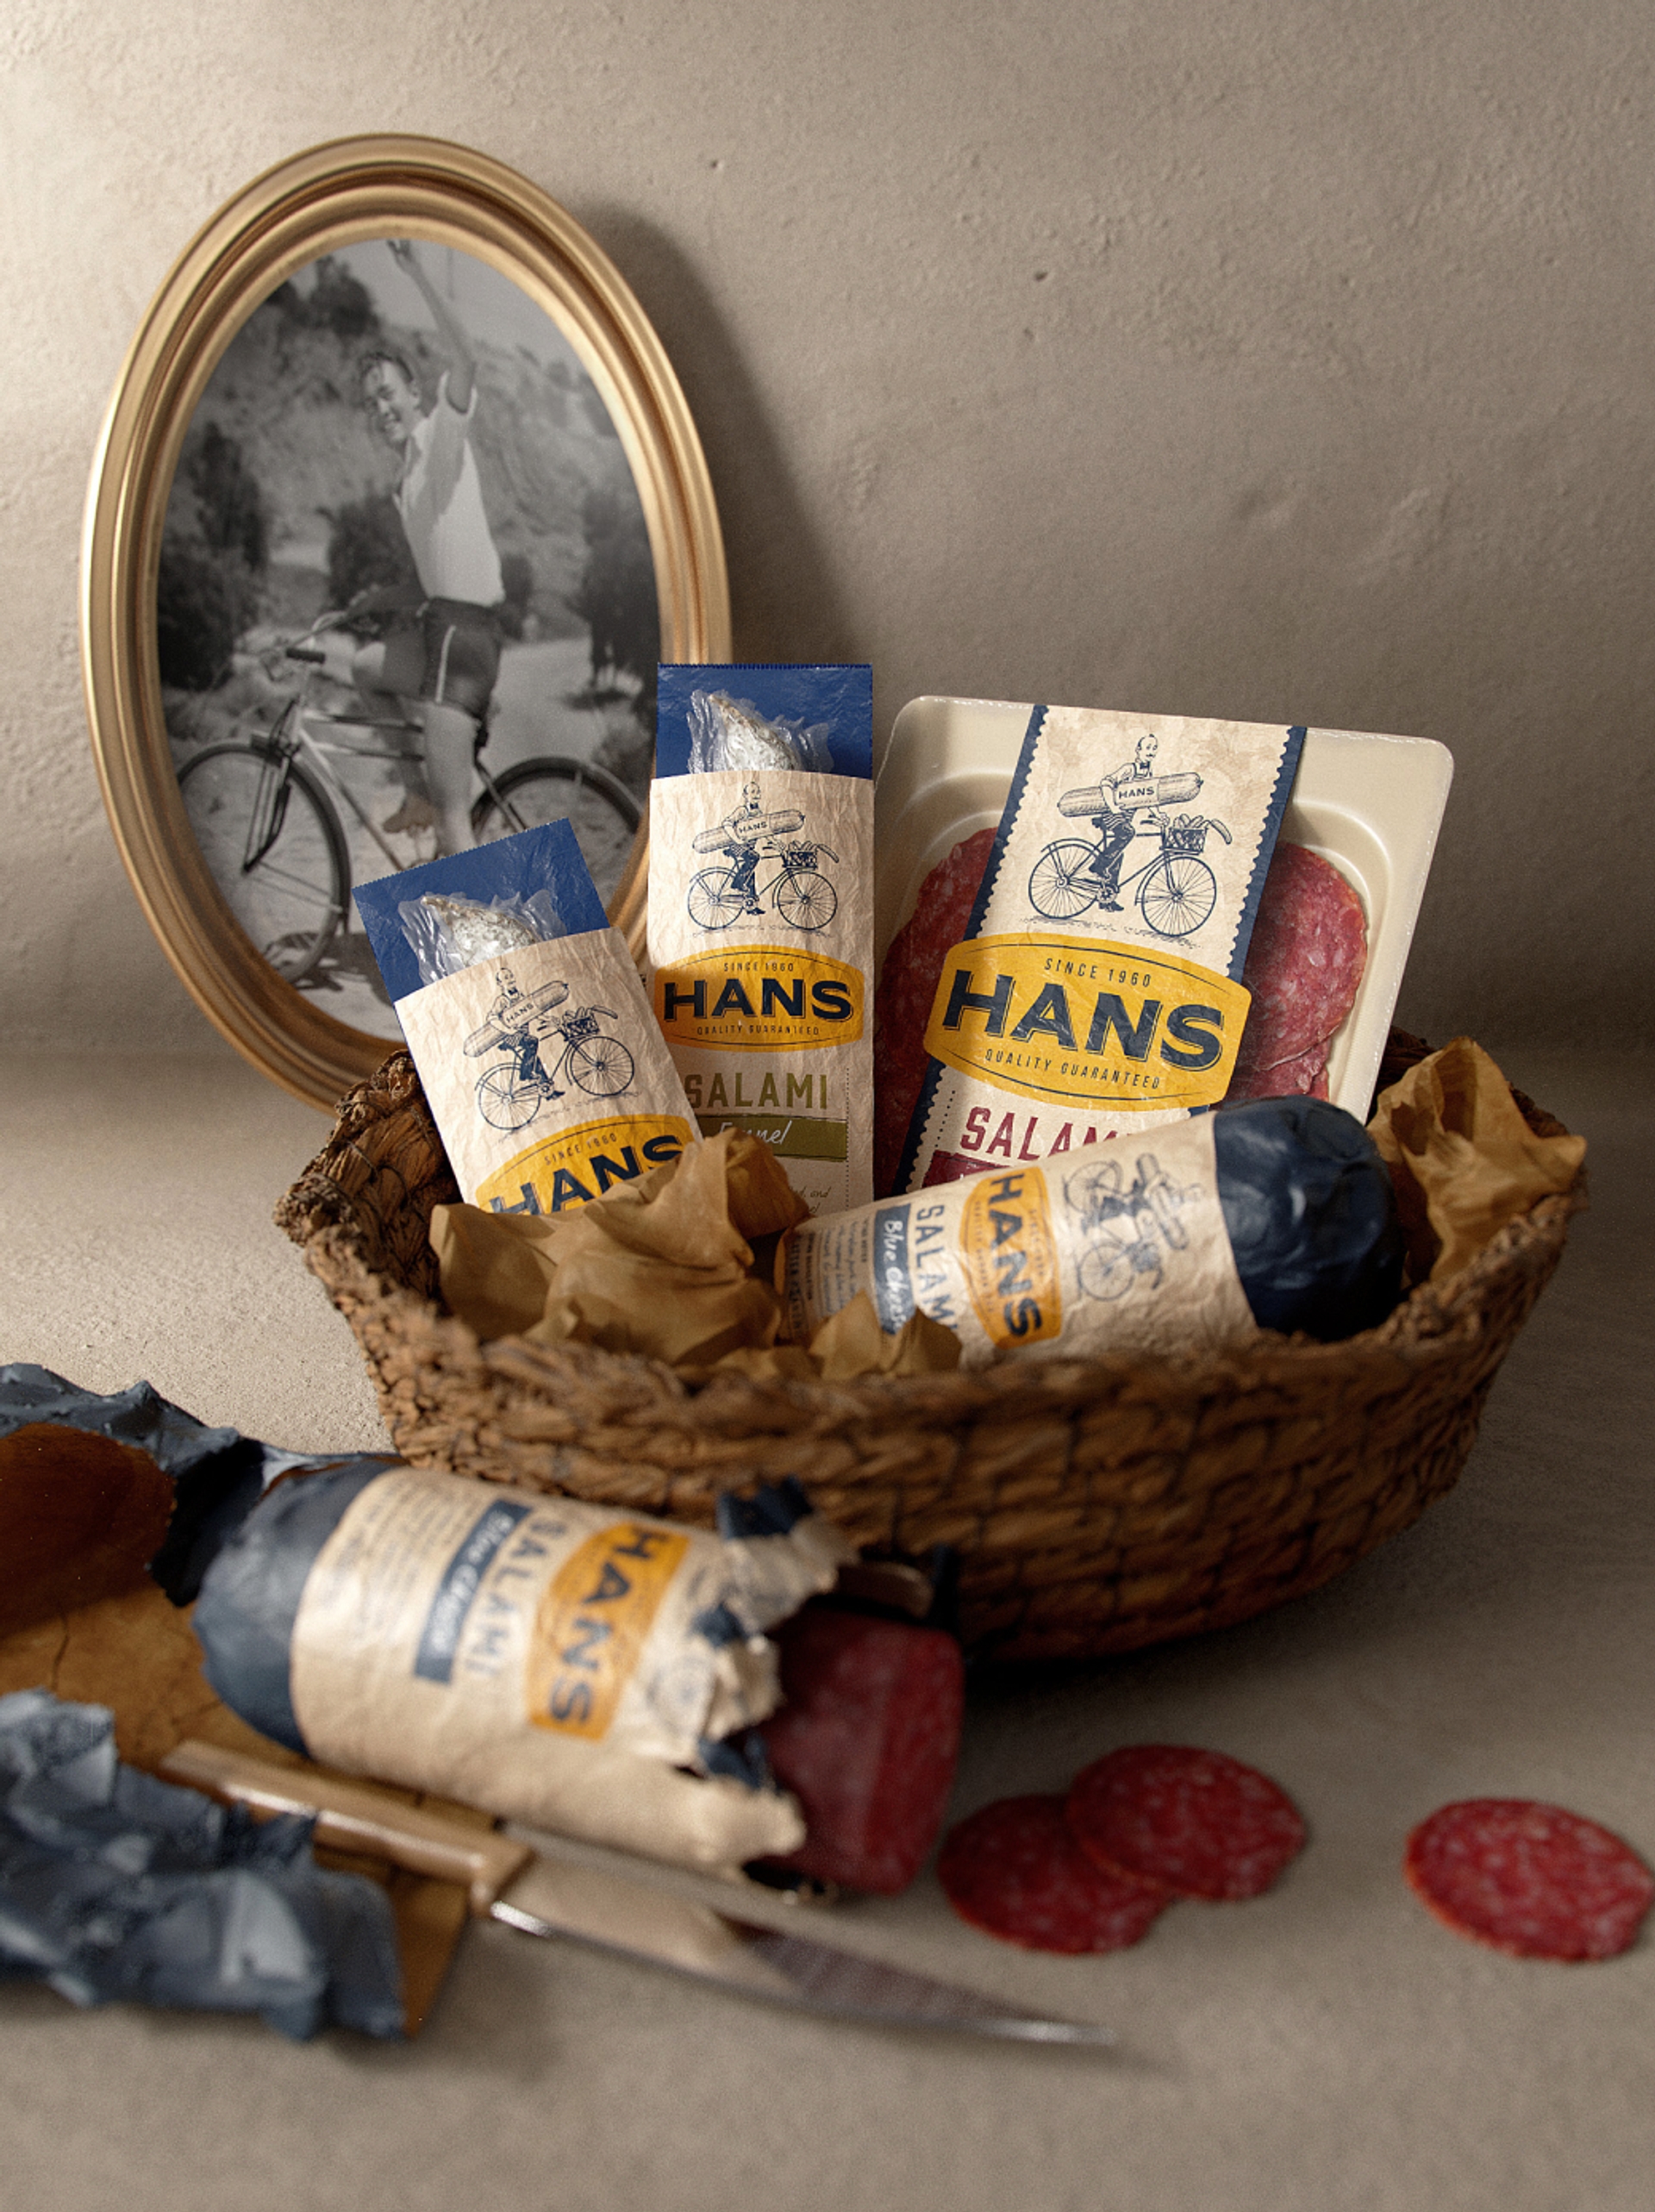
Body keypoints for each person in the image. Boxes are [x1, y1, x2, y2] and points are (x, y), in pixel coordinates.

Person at [343, 241, 506, 855]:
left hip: (461, 636)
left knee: (453, 823)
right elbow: (426, 581)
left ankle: (487, 948)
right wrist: (361, 606)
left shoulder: (439, 439)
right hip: (448, 626)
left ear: (415, 394)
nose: (381, 407)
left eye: (388, 392)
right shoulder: (408, 482)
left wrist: (416, 275)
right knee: (363, 666)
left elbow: (465, 358)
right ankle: (414, 788)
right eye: (370, 402)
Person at [1083, 731, 1163, 909]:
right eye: (1148, 747)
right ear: (1138, 750)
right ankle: (1098, 866)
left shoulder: (1148, 774)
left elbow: (1148, 798)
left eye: (1154, 748)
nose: (1151, 751)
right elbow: (1106, 783)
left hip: (1124, 817)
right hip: (1112, 815)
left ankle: (1106, 899)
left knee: (1118, 854)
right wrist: (1112, 806)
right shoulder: (1129, 769)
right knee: (1128, 833)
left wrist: (1158, 815)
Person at [719, 779, 771, 914]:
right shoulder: (742, 811)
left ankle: (750, 906)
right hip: (736, 846)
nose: (756, 794)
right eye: (752, 792)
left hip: (747, 848)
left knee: (750, 874)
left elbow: (765, 831)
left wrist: (776, 844)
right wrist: (737, 839)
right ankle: (737, 884)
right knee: (753, 858)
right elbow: (727, 823)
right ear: (745, 795)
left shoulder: (758, 813)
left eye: (757, 792)